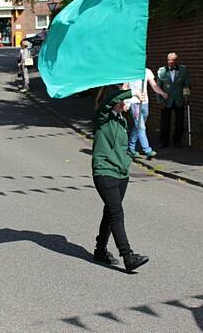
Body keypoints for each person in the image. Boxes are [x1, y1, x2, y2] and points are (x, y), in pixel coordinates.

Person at [92, 85, 149, 272]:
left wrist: (127, 161)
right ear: (117, 102)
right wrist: (131, 91)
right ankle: (128, 256)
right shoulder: (102, 118)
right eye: (124, 101)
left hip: (121, 173)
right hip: (105, 171)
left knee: (110, 212)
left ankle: (100, 250)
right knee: (117, 213)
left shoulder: (121, 121)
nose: (127, 103)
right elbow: (109, 100)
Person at [126, 68, 168, 159]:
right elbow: (125, 87)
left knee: (138, 126)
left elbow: (154, 85)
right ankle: (147, 150)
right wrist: (125, 102)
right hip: (134, 103)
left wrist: (162, 93)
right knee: (141, 127)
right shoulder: (129, 71)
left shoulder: (147, 71)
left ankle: (130, 148)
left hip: (145, 103)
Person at [156, 52, 190, 148]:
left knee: (179, 121)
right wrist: (160, 101)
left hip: (179, 99)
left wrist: (186, 96)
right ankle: (163, 142)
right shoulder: (161, 71)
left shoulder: (183, 70)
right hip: (166, 100)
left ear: (176, 61)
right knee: (165, 122)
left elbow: (186, 84)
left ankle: (177, 140)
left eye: (173, 60)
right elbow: (158, 87)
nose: (170, 62)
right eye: (169, 60)